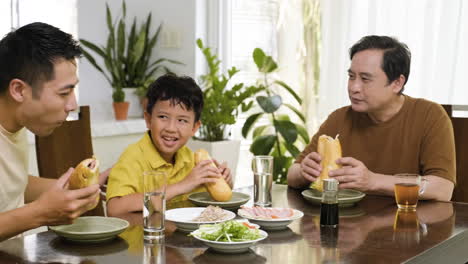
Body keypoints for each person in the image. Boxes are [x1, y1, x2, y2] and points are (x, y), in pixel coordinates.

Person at [287, 35, 455, 201]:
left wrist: (373, 181)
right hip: (349, 222)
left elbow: (443, 188)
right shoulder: (340, 117)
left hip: (407, 223)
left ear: (397, 83)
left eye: (365, 79)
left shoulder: (429, 115)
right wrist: (304, 171)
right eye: (351, 76)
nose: (354, 87)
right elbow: (292, 173)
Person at [0, 22, 105, 241]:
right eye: (64, 93)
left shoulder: (16, 122)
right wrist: (40, 213)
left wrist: (81, 187)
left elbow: (12, 186)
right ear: (19, 90)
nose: (72, 105)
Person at [106, 74, 233, 216]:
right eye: (163, 117)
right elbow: (114, 208)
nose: (171, 128)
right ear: (148, 120)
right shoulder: (133, 157)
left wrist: (225, 183)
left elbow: (208, 204)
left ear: (194, 128)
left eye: (182, 120)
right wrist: (181, 186)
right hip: (143, 235)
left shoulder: (190, 159)